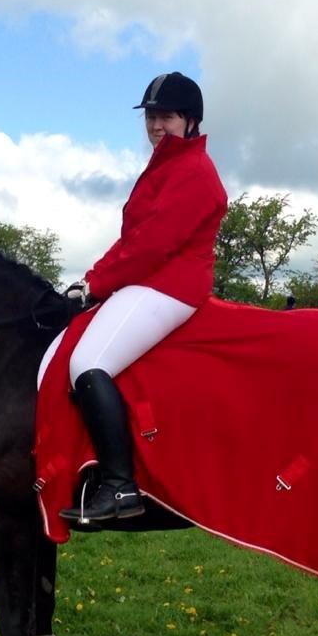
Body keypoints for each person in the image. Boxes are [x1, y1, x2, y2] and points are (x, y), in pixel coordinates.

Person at [53, 72, 228, 526]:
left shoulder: (193, 172)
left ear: (190, 121)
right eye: (150, 116)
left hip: (170, 286)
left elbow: (150, 246)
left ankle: (119, 485)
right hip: (148, 280)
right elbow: (130, 240)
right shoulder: (164, 165)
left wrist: (96, 286)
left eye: (165, 116)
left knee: (87, 363)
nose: (155, 125)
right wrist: (89, 280)